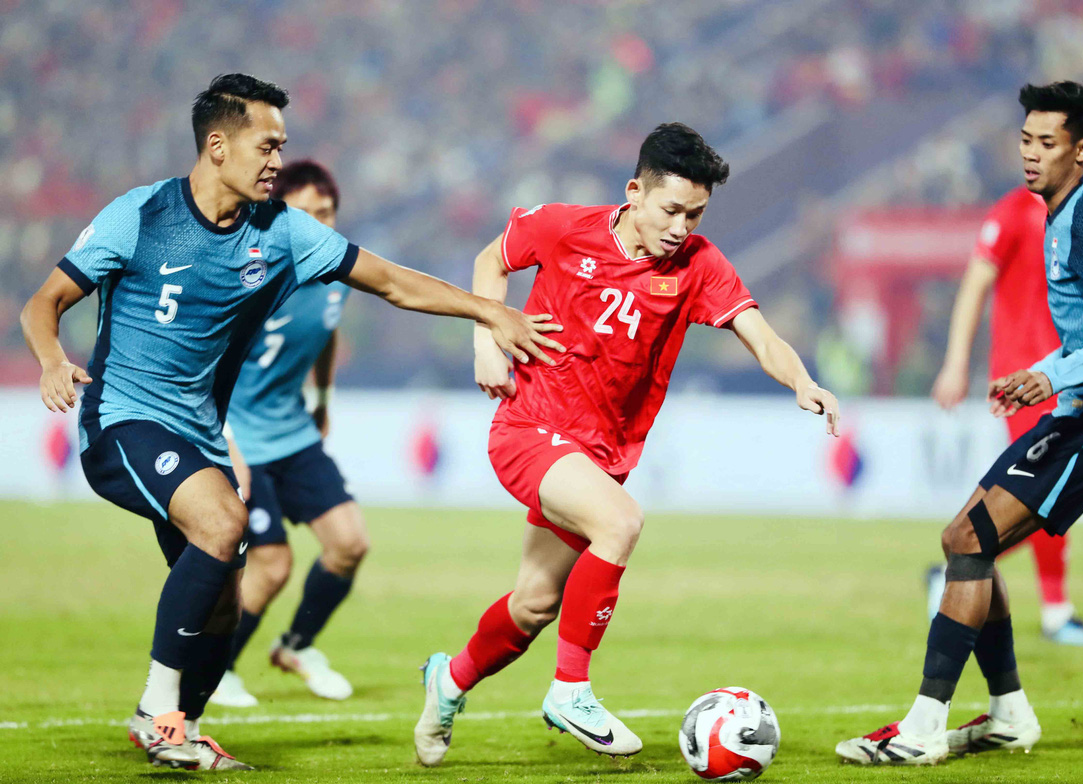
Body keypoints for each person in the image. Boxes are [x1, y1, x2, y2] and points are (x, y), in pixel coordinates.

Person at [20, 73, 562, 771]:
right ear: (218, 145)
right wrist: (49, 360)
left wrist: (490, 310)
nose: (278, 160)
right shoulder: (142, 214)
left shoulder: (282, 233)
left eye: (283, 145)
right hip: (121, 418)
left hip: (198, 435)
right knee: (223, 525)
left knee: (226, 593)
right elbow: (46, 300)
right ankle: (157, 718)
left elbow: (395, 282)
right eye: (266, 144)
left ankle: (177, 725)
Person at [412, 122, 840, 766]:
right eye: (670, 210)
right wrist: (485, 342)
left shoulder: (698, 265)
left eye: (694, 214)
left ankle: (449, 680)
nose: (680, 227)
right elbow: (488, 261)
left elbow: (759, 333)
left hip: (598, 456)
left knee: (533, 604)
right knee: (621, 523)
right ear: (634, 192)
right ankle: (571, 691)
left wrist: (803, 380)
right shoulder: (563, 227)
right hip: (528, 428)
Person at [836, 80, 1083, 766]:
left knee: (968, 538)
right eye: (1025, 141)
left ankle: (924, 727)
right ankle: (1008, 713)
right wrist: (1038, 371)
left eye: (1047, 143)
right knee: (967, 542)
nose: (1031, 155)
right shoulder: (1062, 211)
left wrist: (1052, 376)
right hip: (1079, 409)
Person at [928, 185, 1083, 645]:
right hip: (1024, 377)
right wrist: (955, 364)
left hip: (1069, 374)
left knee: (1048, 494)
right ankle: (1057, 612)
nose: (1033, 150)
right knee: (1047, 489)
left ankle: (958, 565)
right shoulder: (1013, 212)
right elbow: (975, 283)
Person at [206, 160, 362, 708]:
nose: (321, 224)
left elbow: (324, 335)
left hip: (292, 430)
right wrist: (220, 439)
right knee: (272, 565)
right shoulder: (251, 275)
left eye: (328, 213)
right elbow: (206, 357)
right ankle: (214, 671)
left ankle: (297, 646)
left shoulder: (336, 276)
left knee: (349, 544)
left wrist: (321, 399)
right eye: (308, 214)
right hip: (239, 435)